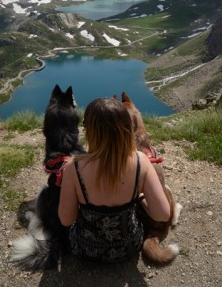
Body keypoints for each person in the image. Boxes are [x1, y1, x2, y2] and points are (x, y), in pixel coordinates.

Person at [58, 97, 170, 263]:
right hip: (129, 247)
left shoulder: (73, 168)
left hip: (85, 249)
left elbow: (66, 220)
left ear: (90, 131)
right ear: (127, 128)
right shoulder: (142, 162)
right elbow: (162, 214)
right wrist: (140, 198)